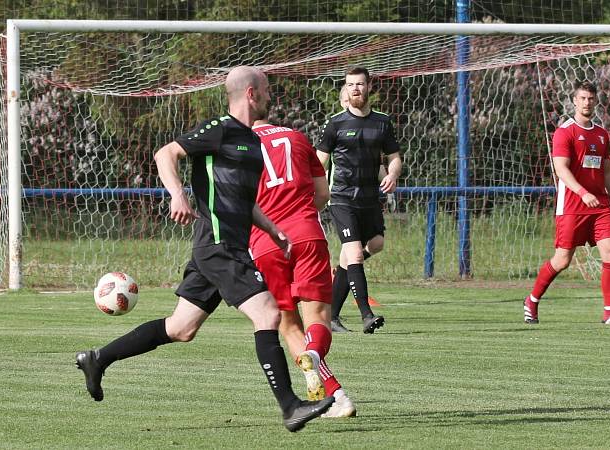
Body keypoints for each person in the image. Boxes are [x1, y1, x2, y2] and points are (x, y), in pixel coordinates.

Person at [75, 66, 333, 431]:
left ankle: (98, 358)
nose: (271, 97)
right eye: (268, 91)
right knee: (268, 315)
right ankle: (291, 407)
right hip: (217, 243)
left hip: (226, 245)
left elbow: (244, 200)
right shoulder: (219, 130)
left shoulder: (254, 143)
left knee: (181, 327)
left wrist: (271, 229)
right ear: (251, 93)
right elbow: (166, 153)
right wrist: (177, 194)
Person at [250, 118, 357, 417]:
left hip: (265, 243)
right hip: (307, 234)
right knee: (319, 319)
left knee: (288, 325)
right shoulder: (298, 138)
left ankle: (336, 395)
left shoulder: (239, 143)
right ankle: (317, 361)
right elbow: (322, 195)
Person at [523, 81, 610, 325]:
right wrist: (582, 192)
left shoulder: (602, 134)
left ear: (595, 100)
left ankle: (609, 313)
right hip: (572, 204)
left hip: (600, 205)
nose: (587, 102)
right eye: (582, 98)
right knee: (562, 260)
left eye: (590, 98)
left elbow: (608, 172)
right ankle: (532, 300)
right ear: (574, 101)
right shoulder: (564, 131)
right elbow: (561, 168)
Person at [316, 66, 402, 334]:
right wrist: (316, 195)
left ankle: (331, 316)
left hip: (369, 199)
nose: (355, 88)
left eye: (360, 84)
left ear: (368, 87)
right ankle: (366, 314)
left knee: (375, 245)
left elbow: (394, 157)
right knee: (353, 253)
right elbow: (319, 162)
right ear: (346, 88)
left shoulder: (382, 122)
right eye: (351, 84)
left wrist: (393, 175)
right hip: (341, 198)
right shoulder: (335, 123)